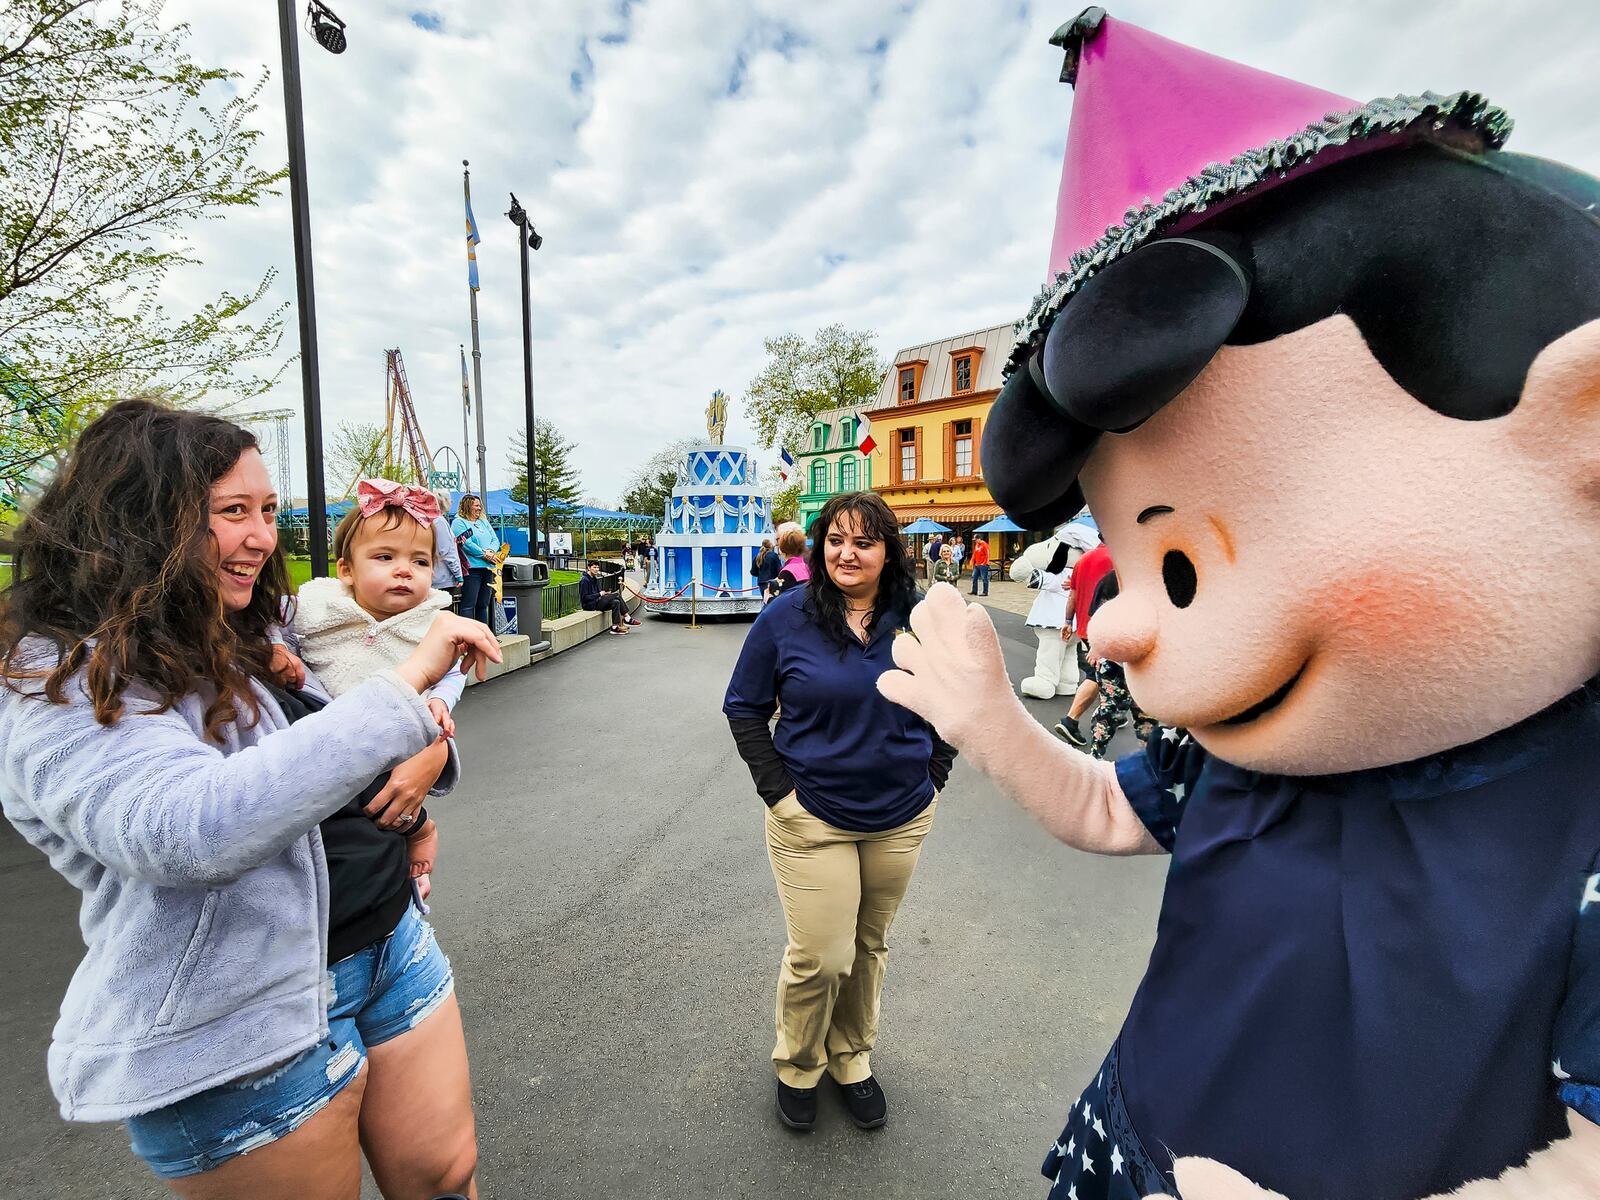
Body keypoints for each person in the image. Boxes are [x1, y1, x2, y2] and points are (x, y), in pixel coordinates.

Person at [0, 400, 501, 1198]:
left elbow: (309, 754)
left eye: (268, 511)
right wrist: (407, 685)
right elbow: (190, 830)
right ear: (146, 521)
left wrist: (423, 785)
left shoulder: (234, 625)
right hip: (243, 1014)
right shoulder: (58, 679)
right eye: (233, 512)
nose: (263, 538)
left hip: (387, 939)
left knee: (446, 1176)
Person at [723, 491, 957, 1134]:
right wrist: (778, 793)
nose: (846, 553)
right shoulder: (785, 617)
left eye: (863, 541)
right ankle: (798, 1064)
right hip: (812, 816)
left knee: (868, 946)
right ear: (820, 544)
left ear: (889, 551)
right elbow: (743, 706)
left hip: (902, 812)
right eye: (835, 540)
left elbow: (963, 700)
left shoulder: (921, 618)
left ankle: (851, 1057)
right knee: (822, 955)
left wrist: (935, 771)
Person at [292, 478, 473, 900]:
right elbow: (288, 639)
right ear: (346, 570)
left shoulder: (432, 622)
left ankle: (418, 830)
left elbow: (451, 671)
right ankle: (418, 829)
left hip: (392, 741)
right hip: (332, 734)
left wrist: (440, 703)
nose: (404, 570)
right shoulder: (319, 611)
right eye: (384, 557)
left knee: (385, 796)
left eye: (421, 561)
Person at [1053, 541, 1113, 747]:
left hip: (1086, 625)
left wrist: (1068, 622)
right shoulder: (1118, 559)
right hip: (1109, 626)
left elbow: (1073, 595)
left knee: (1105, 671)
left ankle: (1114, 710)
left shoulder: (1083, 560)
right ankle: (1071, 719)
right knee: (1096, 674)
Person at [451, 494, 499, 629]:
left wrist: (490, 551)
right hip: (472, 569)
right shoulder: (459, 523)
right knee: (469, 603)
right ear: (468, 506)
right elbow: (466, 544)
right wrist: (484, 554)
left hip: (488, 568)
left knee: (483, 604)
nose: (479, 508)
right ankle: (468, 636)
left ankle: (483, 634)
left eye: (480, 505)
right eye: (476, 505)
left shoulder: (484, 522)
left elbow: (495, 539)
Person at [580, 561, 636, 634]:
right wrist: (599, 594)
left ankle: (614, 627)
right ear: (589, 568)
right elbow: (584, 598)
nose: (596, 569)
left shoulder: (594, 578)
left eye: (597, 567)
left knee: (616, 602)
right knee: (616, 595)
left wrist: (604, 594)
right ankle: (627, 618)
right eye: (594, 567)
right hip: (590, 605)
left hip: (597, 601)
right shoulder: (584, 580)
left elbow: (598, 592)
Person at [429, 487, 465, 597]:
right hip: (443, 577)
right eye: (449, 499)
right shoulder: (440, 522)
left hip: (435, 575)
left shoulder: (431, 519)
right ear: (444, 501)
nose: (452, 501)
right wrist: (458, 574)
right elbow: (445, 551)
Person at [769, 526, 810, 597]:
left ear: (782, 548)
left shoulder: (787, 571)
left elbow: (783, 602)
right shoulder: (807, 567)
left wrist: (768, 597)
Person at [755, 537, 782, 602]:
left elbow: (753, 571)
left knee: (766, 601)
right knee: (772, 602)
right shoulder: (774, 556)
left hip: (762, 583)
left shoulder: (758, 556)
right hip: (772, 583)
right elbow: (779, 570)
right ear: (770, 546)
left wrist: (761, 574)